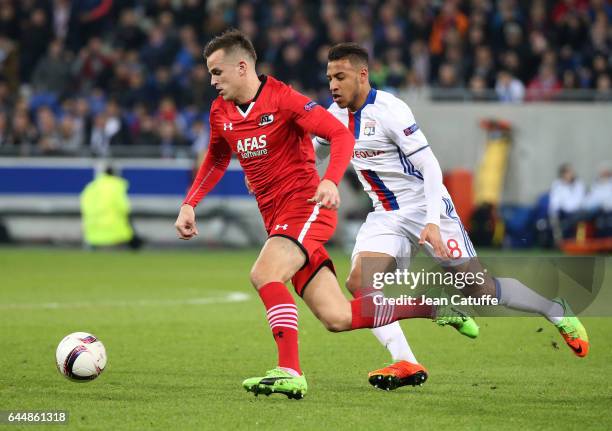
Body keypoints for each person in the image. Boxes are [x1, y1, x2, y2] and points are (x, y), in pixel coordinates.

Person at [174, 30, 476, 400]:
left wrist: (331, 181)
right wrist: (191, 202)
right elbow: (218, 158)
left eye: (217, 72)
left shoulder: (284, 99)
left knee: (264, 273)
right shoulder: (220, 111)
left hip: (305, 207)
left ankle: (290, 371)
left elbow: (340, 136)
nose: (212, 81)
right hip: (278, 220)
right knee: (338, 317)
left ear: (241, 66)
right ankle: (433, 307)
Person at [313, 43, 590, 391]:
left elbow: (430, 167)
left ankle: (555, 310)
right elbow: (314, 150)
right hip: (386, 215)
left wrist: (431, 222)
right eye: (329, 78)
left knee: (482, 291)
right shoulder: (334, 115)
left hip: (427, 208)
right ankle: (406, 360)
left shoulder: (391, 110)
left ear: (362, 74)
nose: (333, 85)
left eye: (340, 77)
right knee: (360, 283)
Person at [80, 166, 142, 250]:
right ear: (115, 174)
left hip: (92, 233)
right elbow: (124, 208)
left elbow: (84, 204)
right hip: (114, 234)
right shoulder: (115, 187)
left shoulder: (91, 187)